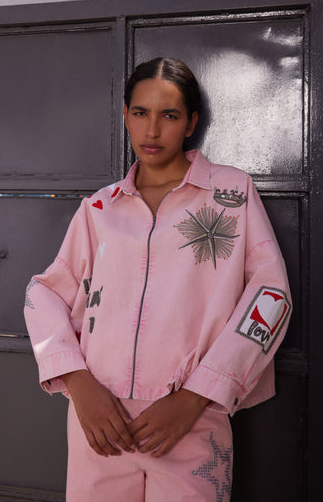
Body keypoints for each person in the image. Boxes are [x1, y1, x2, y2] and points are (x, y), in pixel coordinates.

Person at [24, 57, 291, 502]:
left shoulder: (230, 194)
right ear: (125, 115)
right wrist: (78, 382)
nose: (152, 130)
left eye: (168, 115)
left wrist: (196, 397)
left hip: (190, 421)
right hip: (101, 424)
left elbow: (272, 297)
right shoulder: (100, 208)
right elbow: (45, 292)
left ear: (191, 123)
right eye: (140, 113)